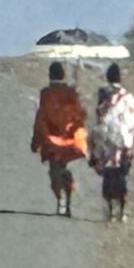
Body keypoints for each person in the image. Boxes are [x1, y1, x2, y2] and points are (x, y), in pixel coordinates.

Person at [30, 61, 88, 217]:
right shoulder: (71, 93)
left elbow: (41, 118)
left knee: (55, 172)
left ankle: (61, 200)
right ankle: (67, 199)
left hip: (53, 140)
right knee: (63, 169)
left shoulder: (46, 93)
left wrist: (36, 141)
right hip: (71, 140)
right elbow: (80, 115)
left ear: (50, 75)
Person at [89, 63, 134, 222]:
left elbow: (99, 119)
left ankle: (112, 211)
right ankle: (122, 212)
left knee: (108, 179)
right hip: (124, 145)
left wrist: (94, 148)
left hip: (106, 146)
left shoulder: (103, 96)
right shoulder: (129, 99)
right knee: (122, 179)